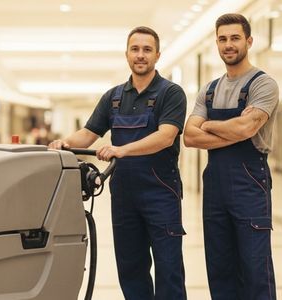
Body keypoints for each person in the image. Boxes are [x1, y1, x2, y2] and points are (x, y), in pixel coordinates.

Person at [48, 26, 187, 300]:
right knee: (130, 269)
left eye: (147, 50)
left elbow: (165, 136)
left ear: (157, 55)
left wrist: (122, 150)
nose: (141, 55)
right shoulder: (113, 97)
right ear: (126, 55)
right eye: (135, 49)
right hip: (124, 196)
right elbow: (88, 134)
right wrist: (63, 143)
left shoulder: (171, 93)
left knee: (169, 269)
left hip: (161, 194)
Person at [183, 13, 279, 299]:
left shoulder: (263, 84)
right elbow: (189, 137)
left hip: (250, 179)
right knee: (219, 265)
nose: (229, 44)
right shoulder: (209, 90)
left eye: (235, 38)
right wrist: (232, 127)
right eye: (223, 39)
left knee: (254, 266)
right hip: (215, 184)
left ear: (249, 41)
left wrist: (209, 125)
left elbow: (247, 128)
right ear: (217, 43)